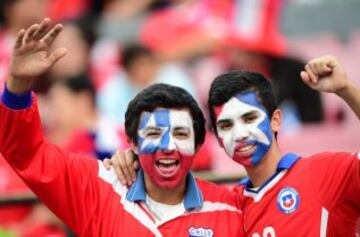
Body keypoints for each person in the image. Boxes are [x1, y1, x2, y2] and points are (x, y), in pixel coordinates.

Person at [0, 18, 244, 236]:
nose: (167, 145)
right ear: (133, 143)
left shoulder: (232, 209)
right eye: (153, 133)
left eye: (180, 133)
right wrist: (17, 86)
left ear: (198, 144)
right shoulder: (99, 188)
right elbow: (27, 154)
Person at [107, 55, 360, 236]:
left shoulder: (325, 172)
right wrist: (132, 160)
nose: (239, 134)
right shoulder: (230, 205)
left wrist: (346, 89)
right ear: (217, 138)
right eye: (226, 126)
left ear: (275, 120)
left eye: (249, 118)